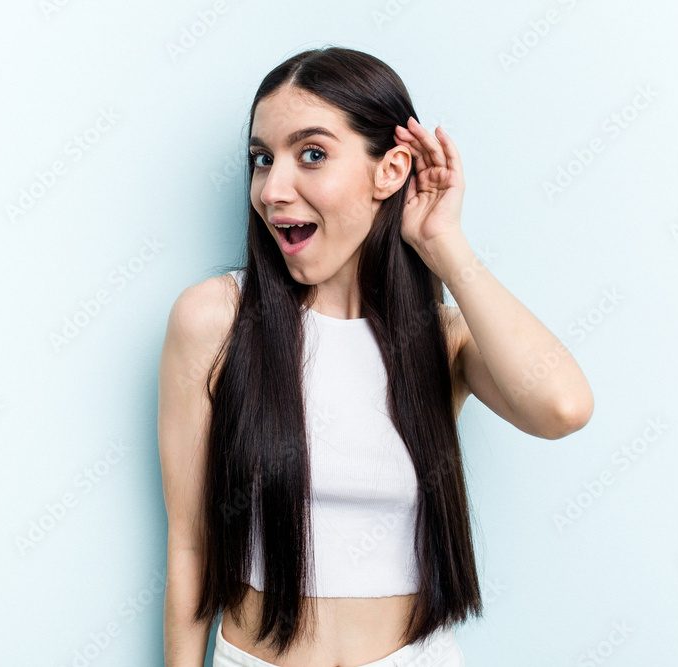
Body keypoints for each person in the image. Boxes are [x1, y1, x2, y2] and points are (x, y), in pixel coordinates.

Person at [159, 45, 594, 667]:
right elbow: (191, 545)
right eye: (261, 159)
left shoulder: (442, 340)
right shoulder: (215, 319)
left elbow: (564, 407)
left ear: (389, 171)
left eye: (311, 154)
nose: (273, 188)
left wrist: (445, 243)